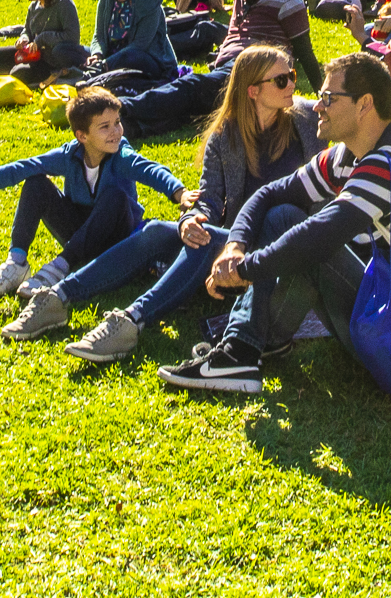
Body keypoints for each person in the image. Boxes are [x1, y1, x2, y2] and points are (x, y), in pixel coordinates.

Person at [158, 53, 391, 396]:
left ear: (364, 105)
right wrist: (235, 245)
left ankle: (238, 351)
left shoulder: (389, 165)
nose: (317, 106)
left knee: (304, 238)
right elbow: (269, 194)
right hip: (388, 309)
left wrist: (244, 269)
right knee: (283, 216)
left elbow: (319, 236)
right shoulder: (348, 155)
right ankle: (255, 343)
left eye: (329, 98)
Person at [61, 45, 320, 366]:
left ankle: (131, 319)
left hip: (281, 244)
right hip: (237, 240)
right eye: (281, 80)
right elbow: (209, 198)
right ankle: (60, 295)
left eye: (292, 76)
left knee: (210, 236)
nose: (293, 84)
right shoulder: (226, 136)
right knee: (164, 230)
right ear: (253, 90)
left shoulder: (306, 119)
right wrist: (192, 219)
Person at [0, 88, 191, 340]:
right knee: (35, 181)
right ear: (82, 135)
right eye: (105, 127)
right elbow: (21, 167)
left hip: (117, 241)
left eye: (117, 122)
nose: (116, 131)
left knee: (116, 196)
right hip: (80, 233)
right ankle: (17, 263)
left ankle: (60, 266)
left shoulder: (121, 155)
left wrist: (179, 192)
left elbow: (149, 169)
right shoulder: (69, 156)